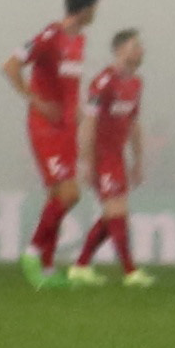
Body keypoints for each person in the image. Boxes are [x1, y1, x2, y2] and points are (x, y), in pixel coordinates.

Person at [1, 0, 98, 287]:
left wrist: (77, 111)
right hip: (45, 127)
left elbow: (68, 86)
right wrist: (36, 101)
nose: (96, 14)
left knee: (57, 197)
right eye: (94, 8)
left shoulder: (79, 41)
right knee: (70, 194)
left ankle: (45, 270)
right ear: (82, 10)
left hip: (66, 127)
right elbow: (11, 66)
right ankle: (32, 253)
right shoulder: (49, 36)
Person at [67, 28, 152, 285]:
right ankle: (130, 271)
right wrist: (85, 161)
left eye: (140, 46)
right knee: (117, 211)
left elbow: (134, 123)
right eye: (135, 46)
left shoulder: (136, 83)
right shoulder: (103, 82)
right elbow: (88, 123)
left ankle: (81, 266)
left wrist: (137, 160)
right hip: (101, 155)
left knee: (111, 214)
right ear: (118, 50)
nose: (140, 51)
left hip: (117, 156)